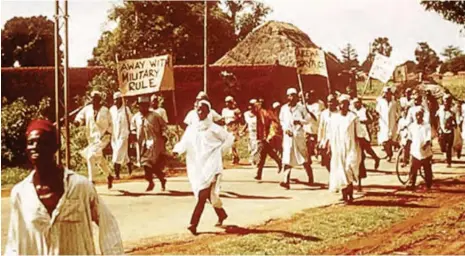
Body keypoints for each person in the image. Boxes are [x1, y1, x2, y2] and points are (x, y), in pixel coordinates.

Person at [5, 119, 123, 255]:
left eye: (42, 142)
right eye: (31, 143)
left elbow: (108, 224)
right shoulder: (21, 193)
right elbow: (14, 242)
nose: (35, 147)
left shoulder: (80, 187)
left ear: (55, 146)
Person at [173, 100, 234, 235]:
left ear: (208, 112)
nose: (200, 112)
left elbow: (229, 138)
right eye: (198, 109)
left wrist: (220, 151)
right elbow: (184, 142)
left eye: (203, 110)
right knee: (207, 194)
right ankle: (221, 214)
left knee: (202, 195)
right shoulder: (192, 128)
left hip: (211, 164)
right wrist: (177, 151)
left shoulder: (214, 128)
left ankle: (193, 224)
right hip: (197, 165)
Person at [75, 90, 114, 188]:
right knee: (99, 159)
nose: (94, 100)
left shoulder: (105, 110)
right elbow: (80, 117)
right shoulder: (87, 109)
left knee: (91, 156)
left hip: (104, 137)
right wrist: (77, 122)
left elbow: (112, 123)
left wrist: (109, 132)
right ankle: (109, 175)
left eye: (96, 98)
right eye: (92, 98)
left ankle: (91, 181)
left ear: (99, 99)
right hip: (92, 139)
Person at [328, 95, 362, 203]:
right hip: (337, 147)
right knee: (340, 170)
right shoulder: (334, 118)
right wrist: (329, 146)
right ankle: (344, 195)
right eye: (341, 103)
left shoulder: (353, 118)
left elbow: (360, 134)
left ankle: (350, 194)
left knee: (348, 169)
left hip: (350, 147)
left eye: (346, 104)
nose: (343, 106)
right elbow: (331, 133)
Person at [131, 96, 167, 191]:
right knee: (149, 164)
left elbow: (164, 126)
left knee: (148, 163)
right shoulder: (136, 117)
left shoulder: (155, 116)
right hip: (142, 144)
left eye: (145, 105)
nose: (143, 108)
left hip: (154, 143)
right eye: (141, 106)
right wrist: (133, 134)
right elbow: (133, 128)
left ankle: (150, 181)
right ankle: (161, 178)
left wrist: (164, 135)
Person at [279, 88, 313, 189]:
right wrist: (285, 129)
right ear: (287, 97)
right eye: (290, 95)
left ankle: (310, 176)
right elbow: (282, 121)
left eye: (294, 95)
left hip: (298, 136)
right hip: (288, 136)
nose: (292, 97)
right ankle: (286, 180)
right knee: (287, 158)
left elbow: (308, 119)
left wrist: (299, 121)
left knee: (303, 158)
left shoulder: (301, 108)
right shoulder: (284, 108)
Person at [352, 98, 380, 190]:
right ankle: (358, 180)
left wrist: (361, 121)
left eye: (357, 103)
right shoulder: (352, 112)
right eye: (355, 103)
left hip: (364, 134)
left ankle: (376, 158)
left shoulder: (365, 110)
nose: (356, 105)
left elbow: (371, 120)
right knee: (360, 156)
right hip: (355, 134)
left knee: (367, 150)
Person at [253, 99, 282, 180]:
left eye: (262, 102)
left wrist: (271, 134)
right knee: (266, 153)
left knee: (263, 153)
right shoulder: (259, 111)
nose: (261, 104)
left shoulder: (269, 112)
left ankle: (259, 173)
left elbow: (274, 122)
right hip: (261, 135)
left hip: (267, 135)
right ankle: (278, 161)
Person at [406, 110, 433, 190]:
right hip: (415, 151)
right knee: (413, 169)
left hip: (425, 152)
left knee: (427, 169)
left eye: (420, 115)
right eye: (417, 115)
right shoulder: (412, 126)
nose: (418, 117)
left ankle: (428, 183)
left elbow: (429, 137)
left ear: (422, 116)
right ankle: (411, 183)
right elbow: (409, 138)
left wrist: (426, 144)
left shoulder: (427, 126)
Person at [110, 92, 133, 179]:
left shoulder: (126, 110)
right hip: (114, 135)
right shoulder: (111, 110)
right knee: (122, 153)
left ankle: (116, 174)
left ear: (120, 100)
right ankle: (129, 163)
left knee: (117, 153)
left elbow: (131, 121)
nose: (115, 101)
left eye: (117, 99)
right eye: (114, 99)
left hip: (124, 135)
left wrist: (132, 132)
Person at [376, 87, 398, 162]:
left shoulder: (394, 102)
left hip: (392, 123)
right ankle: (389, 153)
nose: (387, 95)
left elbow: (397, 112)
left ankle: (390, 154)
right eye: (385, 93)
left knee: (390, 139)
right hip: (383, 123)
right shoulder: (381, 102)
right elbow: (377, 112)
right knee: (384, 141)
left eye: (388, 93)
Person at [318, 94, 338, 172]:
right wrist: (319, 140)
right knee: (326, 161)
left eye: (332, 102)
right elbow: (321, 127)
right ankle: (331, 174)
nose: (330, 104)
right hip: (325, 140)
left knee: (335, 159)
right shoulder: (324, 113)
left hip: (336, 140)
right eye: (329, 102)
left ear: (336, 103)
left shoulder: (339, 113)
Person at [436, 94, 456, 167]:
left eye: (448, 101)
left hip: (450, 131)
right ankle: (445, 154)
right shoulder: (440, 109)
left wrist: (452, 124)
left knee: (448, 147)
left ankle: (448, 162)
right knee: (442, 146)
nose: (446, 102)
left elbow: (455, 122)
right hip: (442, 131)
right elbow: (437, 118)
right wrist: (438, 128)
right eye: (445, 101)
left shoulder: (452, 111)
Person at [221, 96, 242, 164]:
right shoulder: (224, 110)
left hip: (234, 128)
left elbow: (240, 120)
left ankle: (235, 157)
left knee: (233, 143)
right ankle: (234, 156)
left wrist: (235, 120)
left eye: (229, 102)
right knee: (227, 144)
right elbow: (223, 119)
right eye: (226, 102)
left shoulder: (236, 110)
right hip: (226, 128)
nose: (227, 104)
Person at [304, 91, 325, 159]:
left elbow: (317, 118)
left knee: (318, 148)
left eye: (308, 96)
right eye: (306, 96)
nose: (307, 98)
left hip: (316, 130)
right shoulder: (304, 105)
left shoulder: (318, 104)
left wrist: (309, 112)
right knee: (306, 147)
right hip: (307, 130)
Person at [241, 99, 259, 166]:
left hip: (258, 132)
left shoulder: (260, 113)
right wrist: (243, 130)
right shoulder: (246, 114)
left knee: (257, 146)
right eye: (251, 106)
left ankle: (255, 160)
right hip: (251, 132)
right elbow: (247, 123)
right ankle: (253, 160)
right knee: (251, 147)